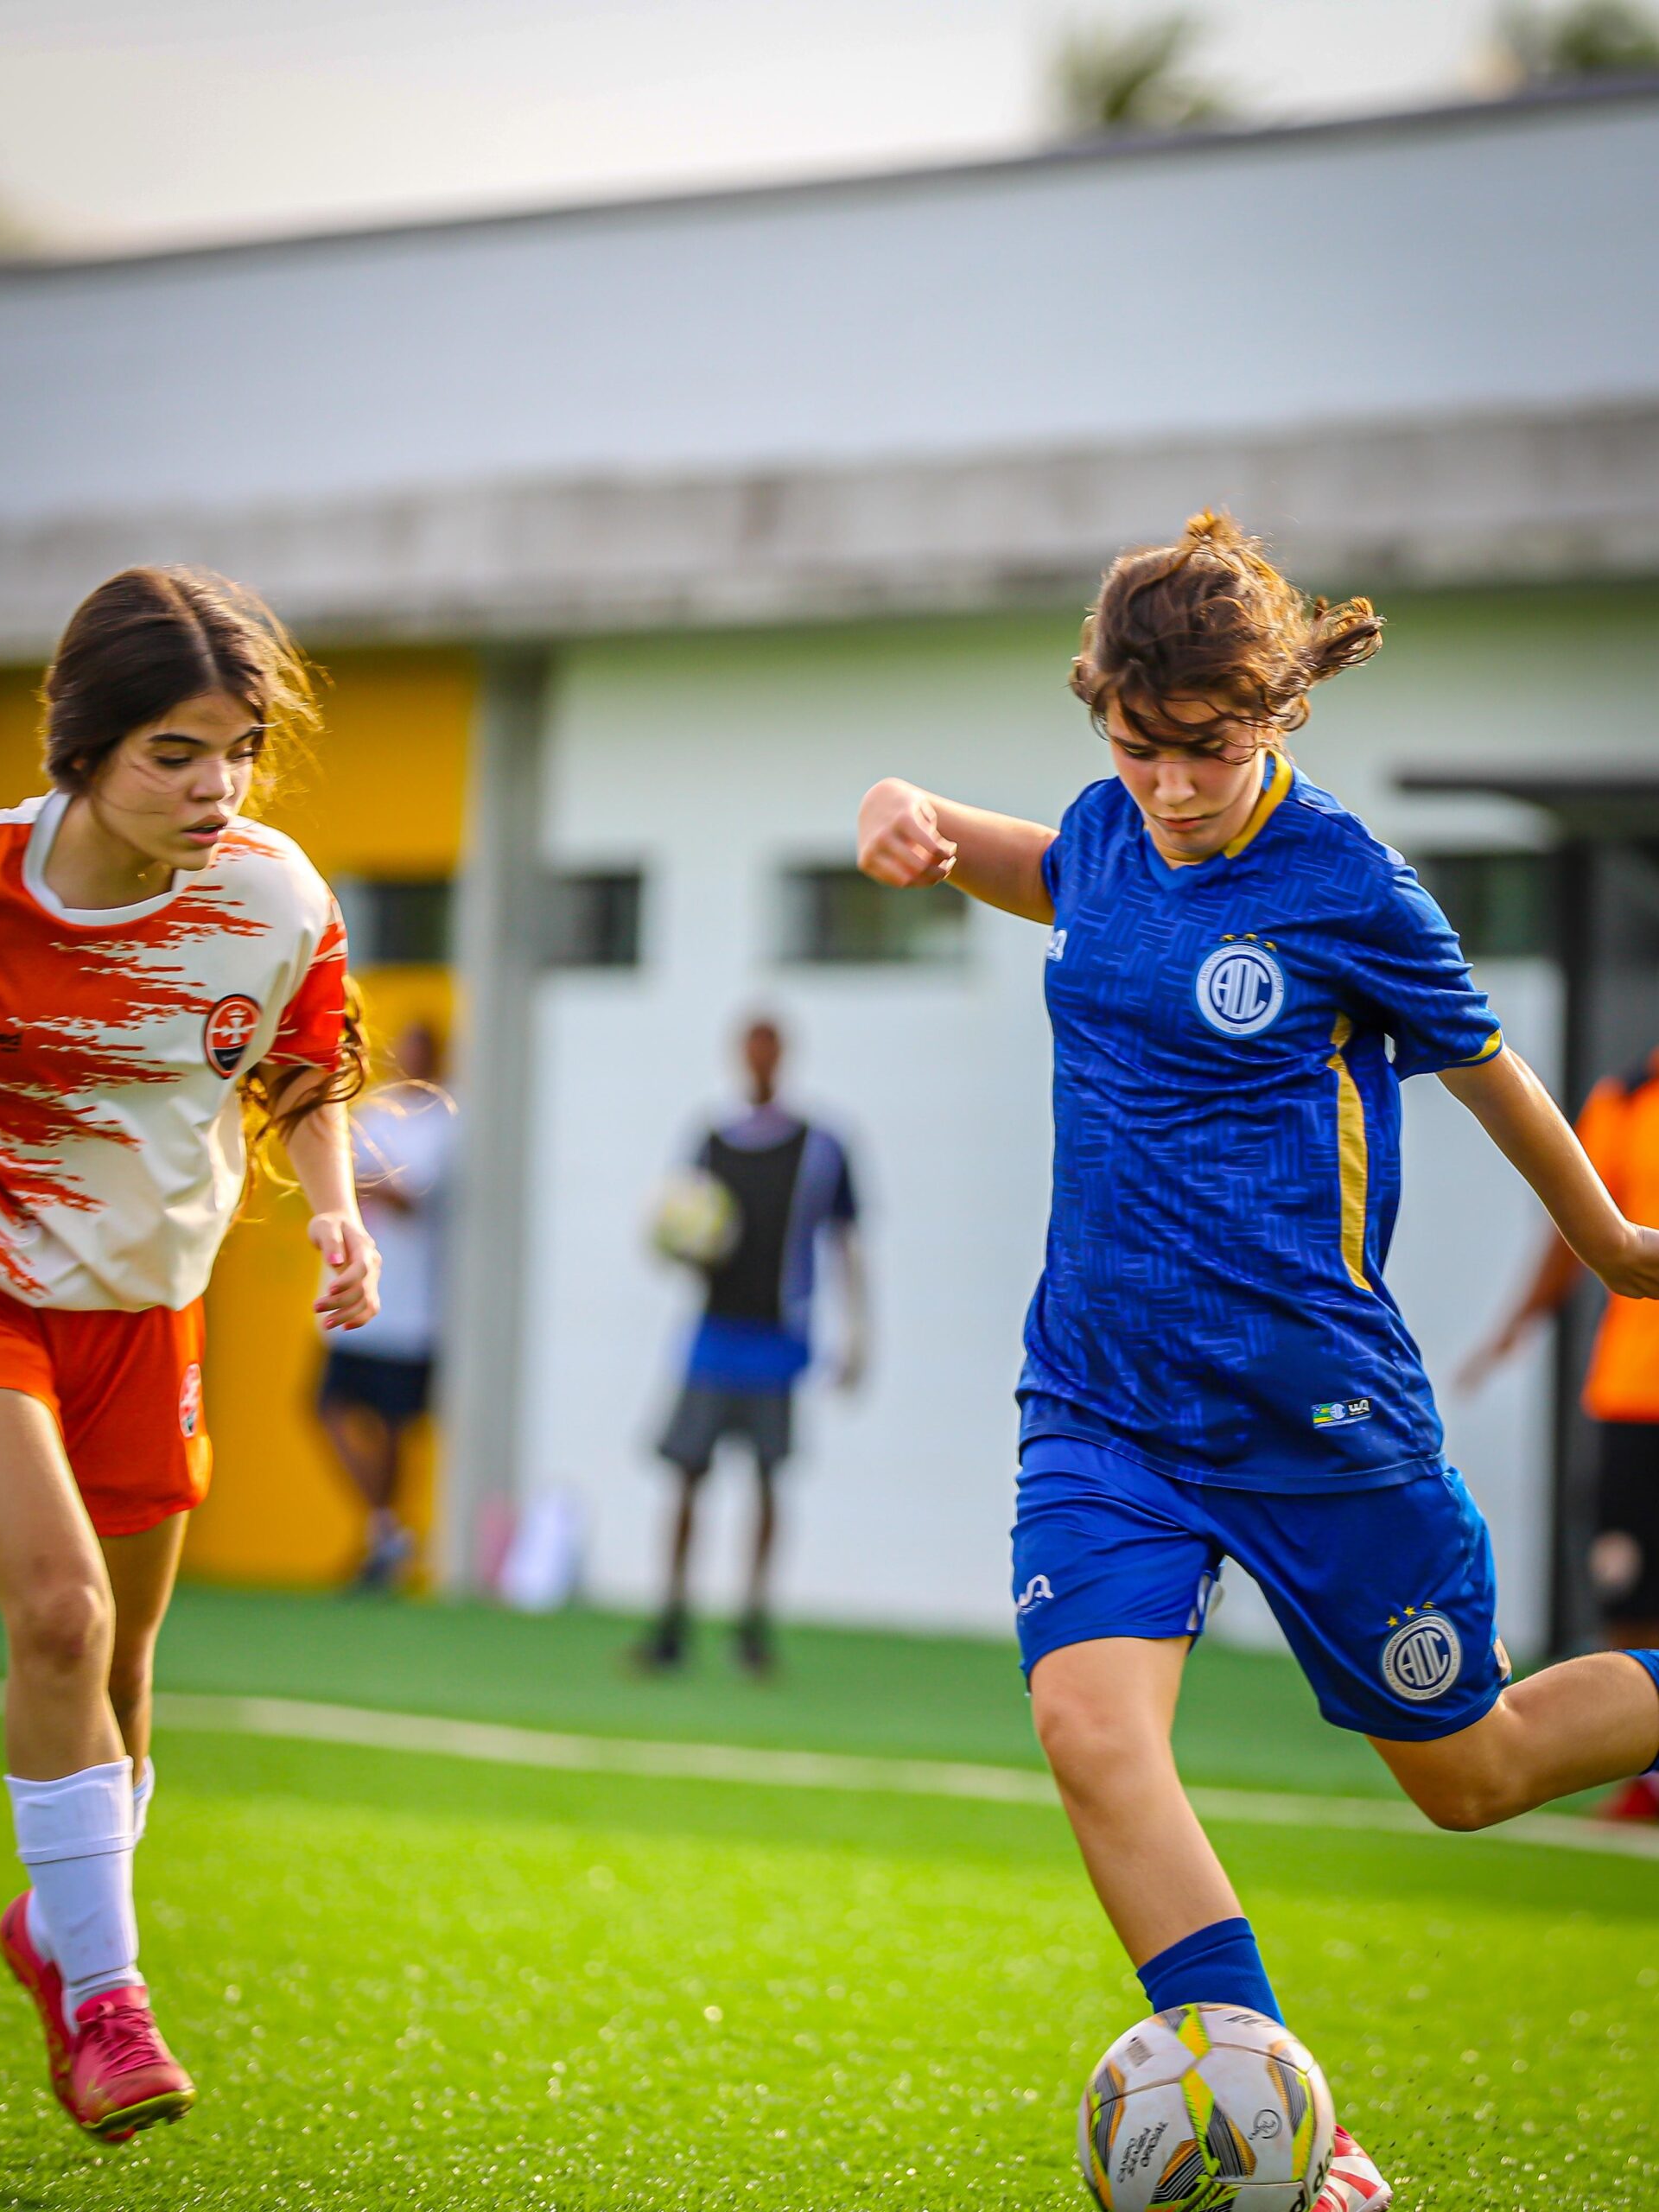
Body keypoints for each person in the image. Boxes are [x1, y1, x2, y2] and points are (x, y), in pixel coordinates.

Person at [855, 512, 1659, 2212]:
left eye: (1203, 751)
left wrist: (1614, 1249)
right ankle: (1300, 2134)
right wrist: (919, 818)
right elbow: (1044, 867)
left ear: (1273, 712)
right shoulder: (1106, 830)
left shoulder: (1350, 885)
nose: (1165, 784)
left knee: (1476, 1773)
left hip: (1318, 1411)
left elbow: (1495, 1072)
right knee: (1091, 1727)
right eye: (1132, 748)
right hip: (1101, 1399)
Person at [0, 569, 380, 2142]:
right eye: (174, 752)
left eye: (235, 749)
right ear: (82, 745)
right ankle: (108, 2006)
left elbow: (312, 1049)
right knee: (56, 1607)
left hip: (143, 1312)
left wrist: (335, 1218)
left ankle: (59, 1931)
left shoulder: (270, 892)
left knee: (119, 1671)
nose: (212, 786)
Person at [1462, 1046, 1659, 1820]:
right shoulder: (1627, 1095)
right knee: (1628, 1577)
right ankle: (1649, 1781)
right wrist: (1520, 1320)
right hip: (1632, 1391)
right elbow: (1583, 1223)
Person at [639, 1017, 866, 1675]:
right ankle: (672, 1621)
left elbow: (847, 1241)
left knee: (769, 1481)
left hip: (780, 1340)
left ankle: (752, 1623)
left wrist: (857, 1334)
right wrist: (683, 1251)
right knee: (686, 1474)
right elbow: (680, 1223)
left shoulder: (822, 1145)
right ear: (739, 1056)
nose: (760, 1060)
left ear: (783, 1056)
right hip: (713, 1337)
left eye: (770, 1048)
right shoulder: (711, 1140)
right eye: (750, 1048)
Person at [317, 1019, 454, 1590]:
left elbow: (404, 1196)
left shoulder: (449, 1119)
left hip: (412, 1304)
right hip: (357, 1297)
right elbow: (338, 1178)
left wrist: (365, 1183)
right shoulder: (376, 1111)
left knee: (397, 1428)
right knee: (330, 1409)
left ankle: (385, 1542)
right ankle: (387, 1528)